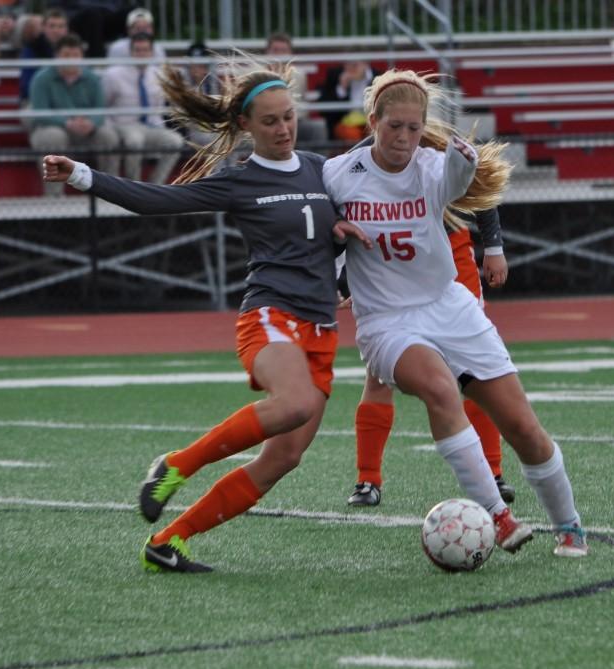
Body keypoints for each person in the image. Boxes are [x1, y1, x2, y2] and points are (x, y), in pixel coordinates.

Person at [42, 59, 371, 573]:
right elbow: (155, 201)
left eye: (288, 117)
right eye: (269, 121)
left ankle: (169, 541)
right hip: (270, 314)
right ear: (245, 126)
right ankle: (175, 465)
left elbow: (345, 224)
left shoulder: (318, 167)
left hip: (322, 327)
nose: (283, 128)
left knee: (284, 458)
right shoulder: (238, 181)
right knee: (295, 403)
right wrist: (82, 175)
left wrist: (345, 242)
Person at [322, 69, 589, 557]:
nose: (403, 138)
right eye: (393, 126)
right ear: (373, 121)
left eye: (412, 127)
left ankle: (569, 523)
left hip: (449, 306)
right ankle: (498, 516)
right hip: (386, 319)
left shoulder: (432, 167)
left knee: (523, 428)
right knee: (440, 389)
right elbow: (314, 228)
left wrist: (466, 166)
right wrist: (334, 244)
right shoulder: (339, 174)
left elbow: (463, 180)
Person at [345, 206, 517, 507]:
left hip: (450, 253)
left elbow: (480, 179)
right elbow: (340, 210)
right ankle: (367, 478)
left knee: (475, 368)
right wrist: (340, 272)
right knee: (378, 375)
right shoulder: (358, 163)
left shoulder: (442, 158)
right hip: (392, 261)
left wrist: (494, 246)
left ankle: (493, 472)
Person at [29, 33, 119, 197]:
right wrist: (67, 123)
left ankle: (111, 194)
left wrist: (92, 123)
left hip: (86, 130)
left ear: (82, 56)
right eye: (66, 55)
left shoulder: (92, 78)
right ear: (56, 56)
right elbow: (39, 113)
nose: (71, 59)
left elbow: (100, 110)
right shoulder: (41, 78)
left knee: (108, 135)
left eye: (75, 55)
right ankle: (54, 198)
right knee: (53, 137)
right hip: (52, 128)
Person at [102, 32, 184, 184]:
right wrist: (110, 129)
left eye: (145, 50)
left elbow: (160, 107)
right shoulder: (113, 74)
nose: (141, 54)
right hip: (125, 125)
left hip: (151, 126)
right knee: (135, 141)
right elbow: (104, 105)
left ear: (152, 52)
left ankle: (157, 185)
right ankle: (134, 185)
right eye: (137, 50)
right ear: (131, 52)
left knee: (175, 141)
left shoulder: (158, 74)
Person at [265, 32, 328, 146]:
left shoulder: (299, 75)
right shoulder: (258, 74)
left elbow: (303, 105)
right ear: (267, 52)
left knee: (318, 127)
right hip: (266, 121)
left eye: (283, 51)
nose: (279, 55)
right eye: (275, 50)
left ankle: (319, 163)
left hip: (295, 121)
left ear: (290, 53)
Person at [318, 59, 378, 141]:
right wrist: (341, 89)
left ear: (365, 64)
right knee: (350, 133)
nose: (350, 68)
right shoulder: (335, 75)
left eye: (354, 64)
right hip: (346, 124)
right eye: (347, 64)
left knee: (376, 131)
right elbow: (323, 110)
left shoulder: (377, 77)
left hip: (371, 121)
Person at [18, 9, 68, 104]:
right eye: (52, 26)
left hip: (66, 100)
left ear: (67, 29)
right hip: (36, 99)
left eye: (61, 26)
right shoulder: (31, 48)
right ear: (43, 28)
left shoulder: (74, 48)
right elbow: (27, 86)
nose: (56, 30)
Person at [54, 0, 131, 58]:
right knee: (94, 16)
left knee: (131, 12)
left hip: (107, 17)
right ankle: (96, 61)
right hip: (79, 18)